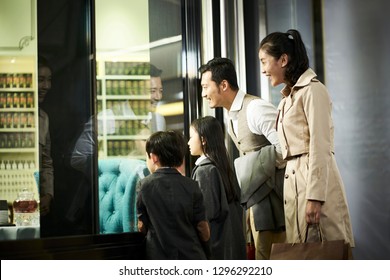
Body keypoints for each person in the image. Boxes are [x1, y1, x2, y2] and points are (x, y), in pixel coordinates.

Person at [258, 29, 355, 247]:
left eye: (264, 62)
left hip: (312, 186)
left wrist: (315, 197)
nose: (263, 70)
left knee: (324, 255)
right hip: (295, 187)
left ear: (283, 59)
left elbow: (321, 146)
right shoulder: (286, 99)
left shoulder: (313, 91)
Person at [199, 58, 286, 260]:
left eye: (205, 87)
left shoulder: (255, 108)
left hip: (274, 201)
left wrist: (253, 169)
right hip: (255, 202)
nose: (203, 94)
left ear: (223, 85)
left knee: (275, 257)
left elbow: (286, 149)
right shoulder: (231, 117)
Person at [136, 130, 210, 259]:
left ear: (153, 157)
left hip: (158, 257)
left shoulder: (144, 185)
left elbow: (142, 226)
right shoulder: (192, 185)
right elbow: (203, 229)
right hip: (192, 256)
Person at [188, 116, 246, 259]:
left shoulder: (205, 171)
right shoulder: (223, 166)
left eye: (191, 137)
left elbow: (205, 216)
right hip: (232, 244)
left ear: (203, 139)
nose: (188, 142)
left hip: (216, 248)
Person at [37, 56, 55, 235]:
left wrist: (48, 194)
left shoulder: (44, 118)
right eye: (41, 80)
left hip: (34, 202)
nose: (47, 86)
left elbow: (46, 161)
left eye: (49, 80)